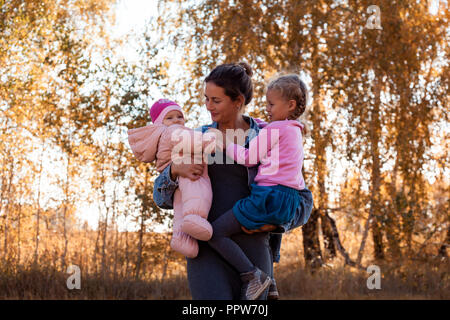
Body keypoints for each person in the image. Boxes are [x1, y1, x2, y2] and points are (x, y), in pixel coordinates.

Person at [153, 62, 313, 300]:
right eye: (206, 98)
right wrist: (175, 171)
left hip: (254, 251)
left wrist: (278, 224)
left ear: (238, 100)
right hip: (205, 250)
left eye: (216, 100)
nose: (208, 106)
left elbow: (303, 199)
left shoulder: (269, 134)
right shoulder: (196, 138)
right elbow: (160, 197)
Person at [208, 74, 310, 300]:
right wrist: (262, 125)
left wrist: (224, 142)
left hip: (267, 197)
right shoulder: (294, 130)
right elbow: (270, 131)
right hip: (288, 200)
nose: (267, 108)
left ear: (290, 105)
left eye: (271, 104)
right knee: (263, 234)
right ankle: (271, 280)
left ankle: (253, 276)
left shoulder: (274, 131)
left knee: (215, 233)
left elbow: (248, 158)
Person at [127, 99, 217, 258]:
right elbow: (194, 141)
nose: (176, 120)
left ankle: (181, 238)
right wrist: (211, 139)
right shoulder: (173, 132)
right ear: (160, 123)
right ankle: (195, 217)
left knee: (181, 205)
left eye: (179, 116)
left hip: (177, 177)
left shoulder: (170, 133)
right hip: (187, 171)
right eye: (169, 118)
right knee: (197, 190)